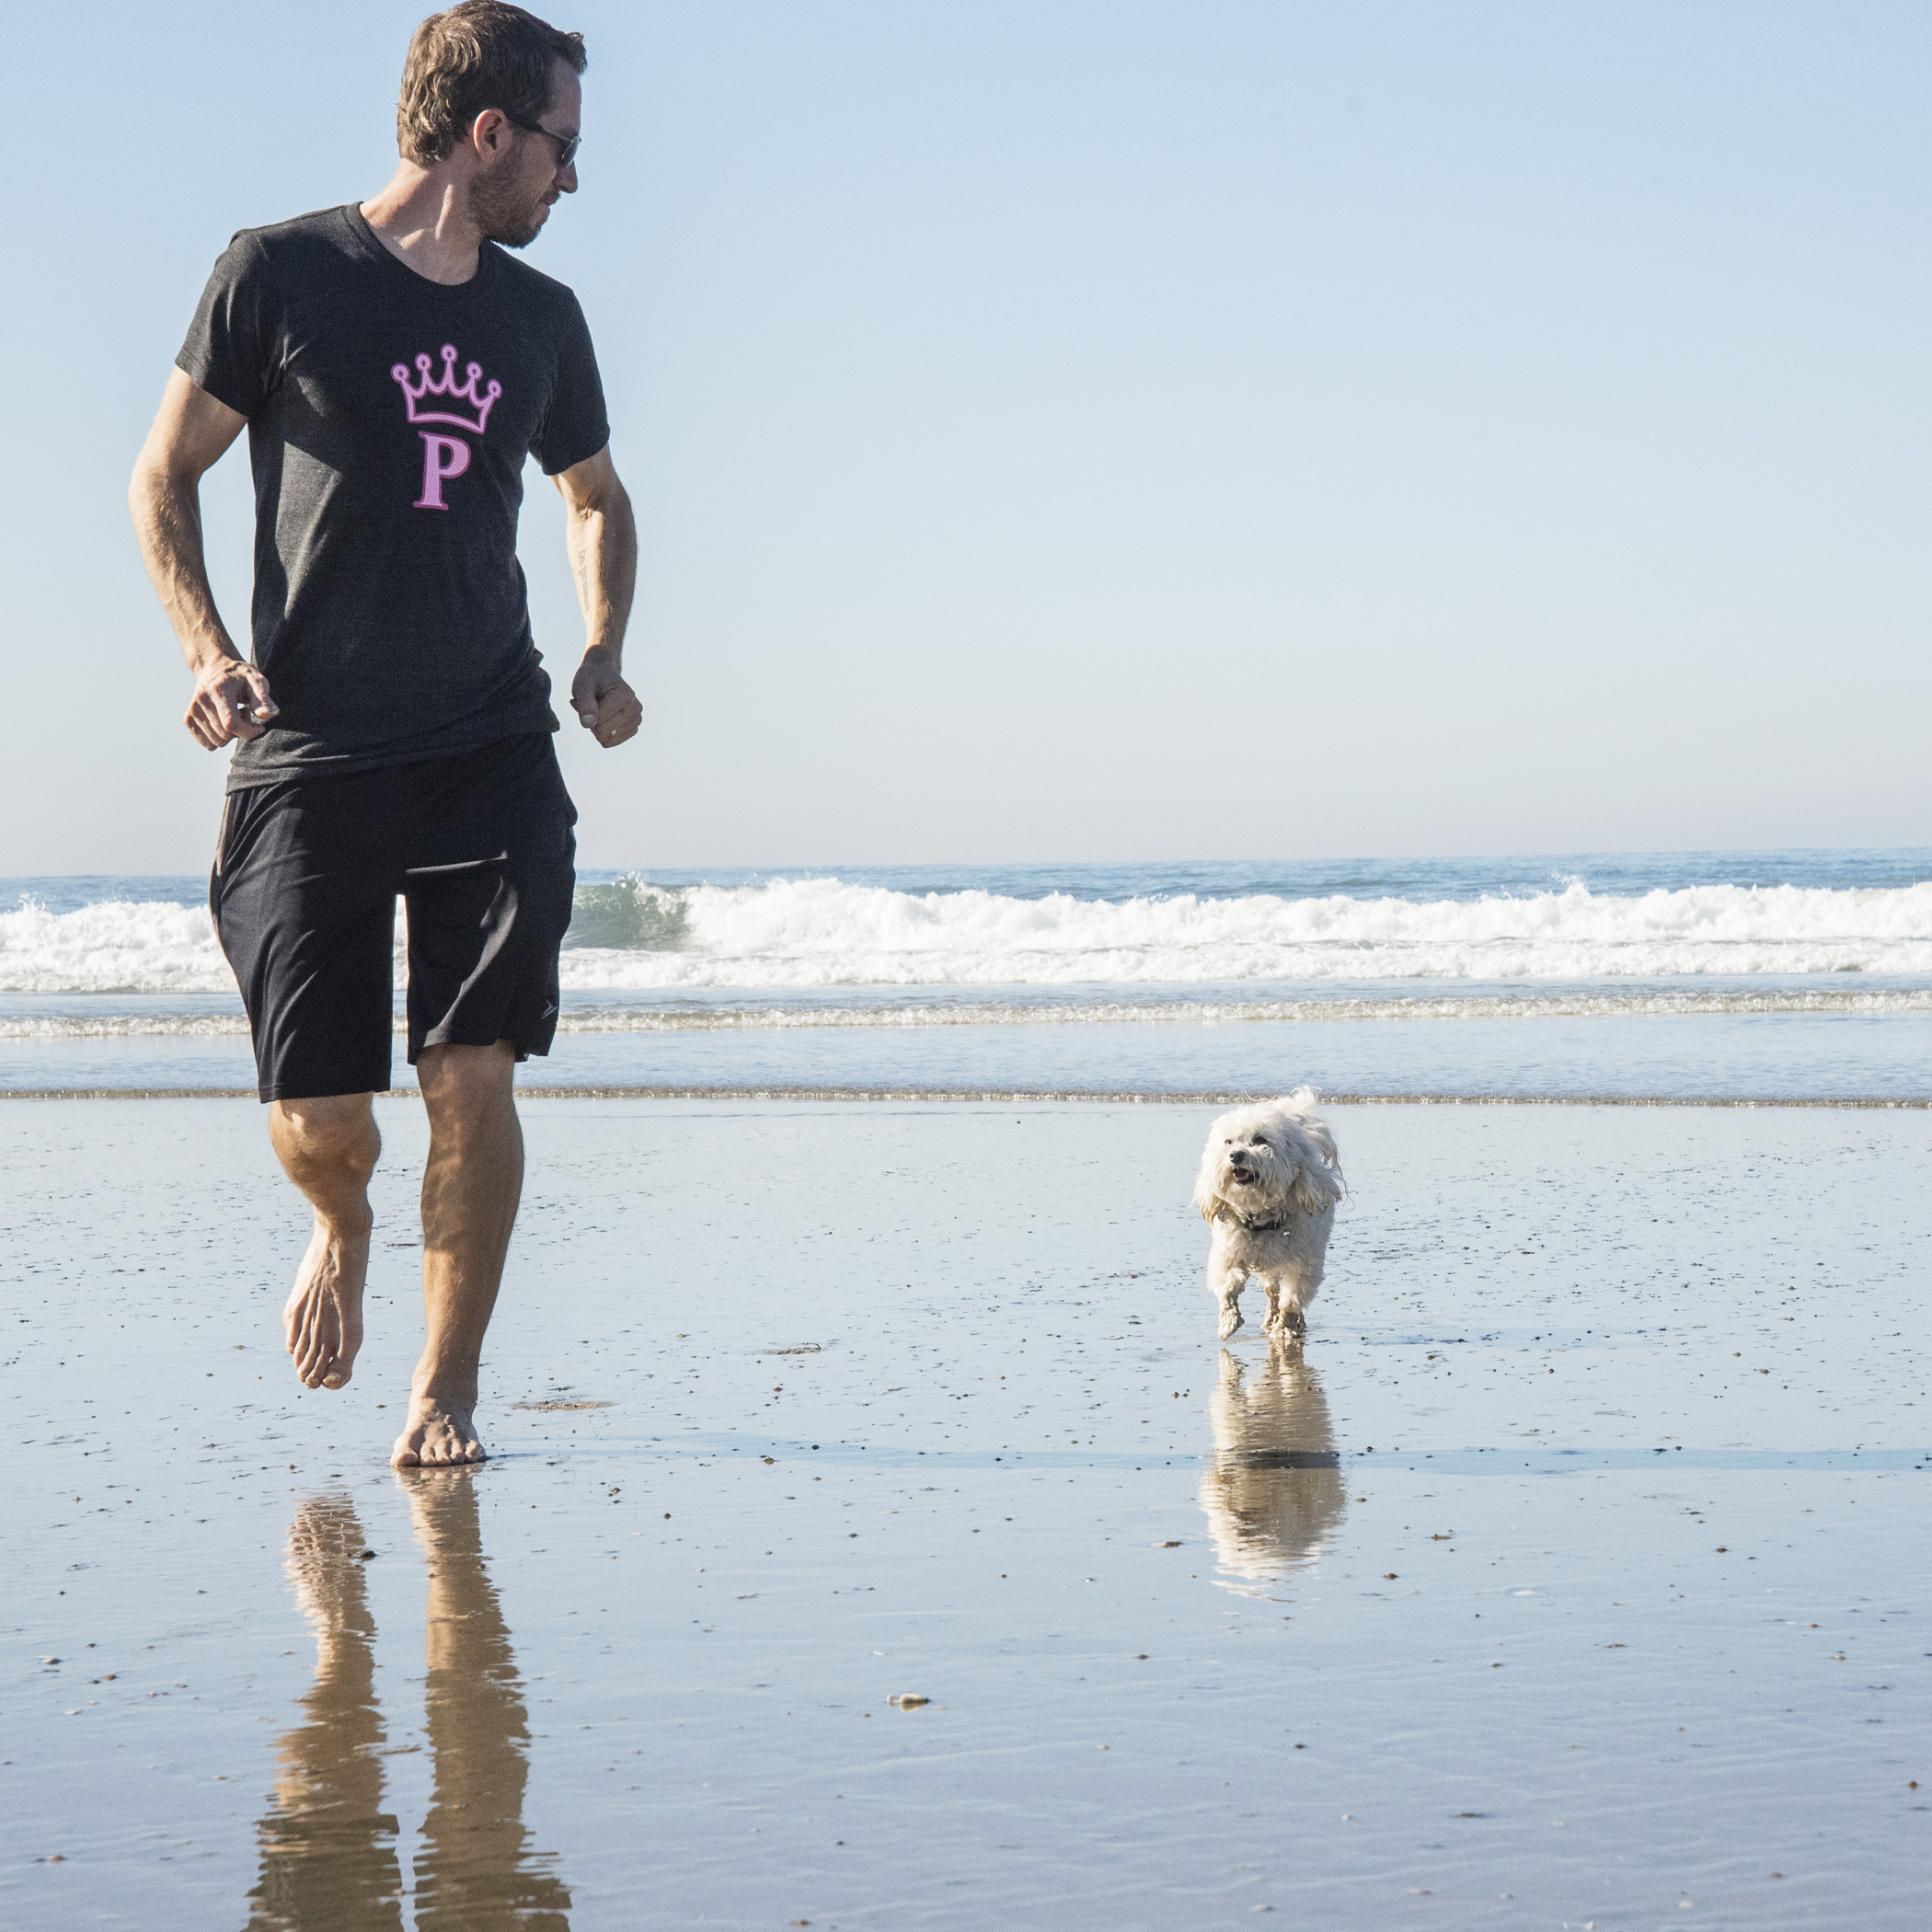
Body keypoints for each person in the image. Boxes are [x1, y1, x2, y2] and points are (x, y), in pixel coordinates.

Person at [128, 2, 638, 1467]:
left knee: (474, 1073)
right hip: (310, 753)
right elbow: (163, 474)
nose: (569, 181)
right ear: (490, 135)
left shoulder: (545, 321)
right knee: (321, 1122)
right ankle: (342, 1222)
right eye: (561, 147)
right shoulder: (281, 273)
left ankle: (444, 1393)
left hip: (488, 740)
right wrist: (207, 649)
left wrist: (602, 652)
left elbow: (594, 497)